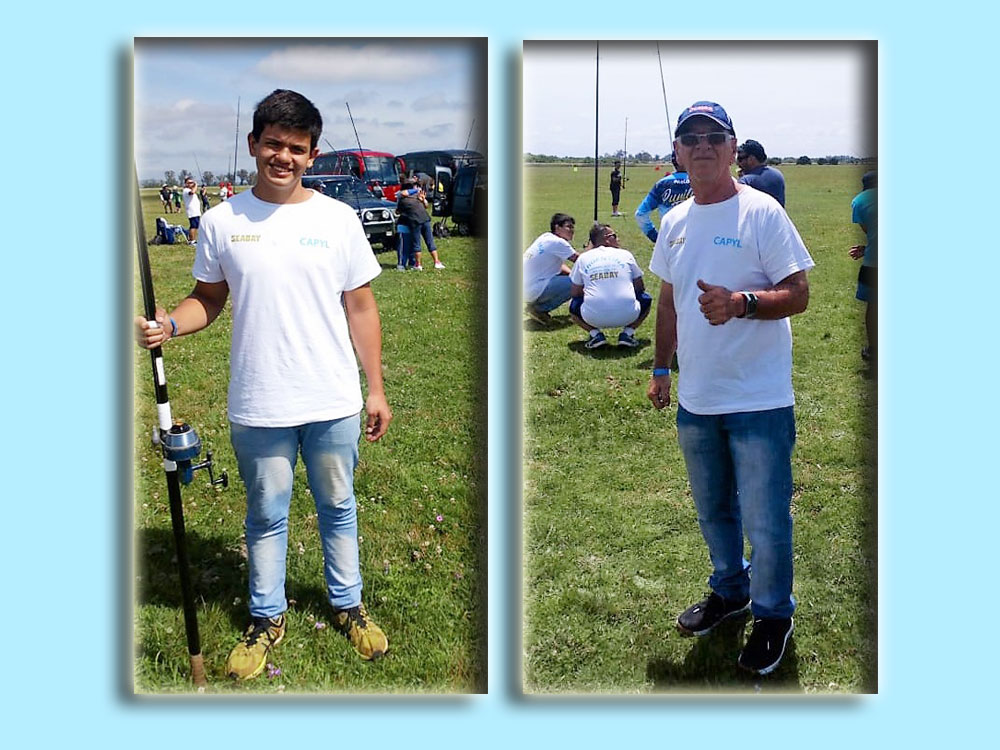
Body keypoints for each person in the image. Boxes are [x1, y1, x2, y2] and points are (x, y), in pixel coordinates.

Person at [134, 89, 392, 681]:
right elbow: (208, 299)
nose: (284, 157)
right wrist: (170, 325)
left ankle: (348, 604)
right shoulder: (222, 221)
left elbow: (360, 306)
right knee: (266, 514)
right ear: (253, 144)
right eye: (273, 144)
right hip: (259, 403)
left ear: (312, 154)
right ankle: (265, 616)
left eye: (297, 148)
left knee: (339, 506)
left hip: (332, 399)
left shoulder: (337, 219)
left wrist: (375, 388)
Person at [647, 101, 814, 676]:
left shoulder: (761, 212)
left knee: (766, 520)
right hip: (697, 399)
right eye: (690, 137)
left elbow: (799, 293)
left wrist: (742, 303)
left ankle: (772, 615)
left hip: (759, 400)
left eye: (713, 137)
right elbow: (668, 301)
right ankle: (731, 590)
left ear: (732, 147)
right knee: (714, 510)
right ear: (677, 152)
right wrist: (661, 368)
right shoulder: (675, 221)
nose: (702, 146)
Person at [569, 224, 651, 349]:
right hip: (629, 314)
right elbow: (640, 287)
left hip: (592, 316)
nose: (618, 239)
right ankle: (627, 333)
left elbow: (575, 293)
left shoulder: (583, 258)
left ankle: (595, 334)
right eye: (615, 236)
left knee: (574, 305)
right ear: (607, 239)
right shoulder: (626, 254)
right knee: (645, 299)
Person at [523, 213, 579, 324]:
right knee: (576, 283)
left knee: (571, 279)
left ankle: (535, 306)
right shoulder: (558, 242)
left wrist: (570, 274)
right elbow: (582, 260)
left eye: (573, 227)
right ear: (557, 227)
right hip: (530, 288)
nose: (572, 230)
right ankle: (539, 309)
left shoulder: (546, 237)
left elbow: (560, 266)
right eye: (568, 227)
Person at [849, 170, 877, 364]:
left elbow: (870, 231)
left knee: (873, 306)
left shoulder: (859, 201)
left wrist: (868, 249)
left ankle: (873, 349)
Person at [634, 153, 692, 243]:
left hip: (669, 240)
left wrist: (655, 237)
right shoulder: (701, 182)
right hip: (695, 239)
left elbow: (640, 214)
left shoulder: (662, 184)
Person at [396, 178, 445, 270]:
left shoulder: (403, 199)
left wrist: (421, 197)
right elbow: (426, 206)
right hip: (425, 219)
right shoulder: (417, 196)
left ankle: (418, 265)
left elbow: (398, 211)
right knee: (430, 242)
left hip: (415, 222)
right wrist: (422, 199)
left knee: (416, 244)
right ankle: (437, 262)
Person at [736, 139, 786, 207]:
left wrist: (741, 180)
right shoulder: (778, 174)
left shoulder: (746, 181)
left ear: (751, 159)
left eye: (740, 159)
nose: (737, 163)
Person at [182, 177, 201, 245]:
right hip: (192, 211)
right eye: (189, 183)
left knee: (196, 225)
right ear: (186, 184)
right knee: (193, 225)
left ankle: (193, 239)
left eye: (192, 182)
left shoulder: (189, 189)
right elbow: (192, 192)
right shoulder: (186, 190)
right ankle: (191, 240)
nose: (191, 184)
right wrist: (196, 185)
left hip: (196, 211)